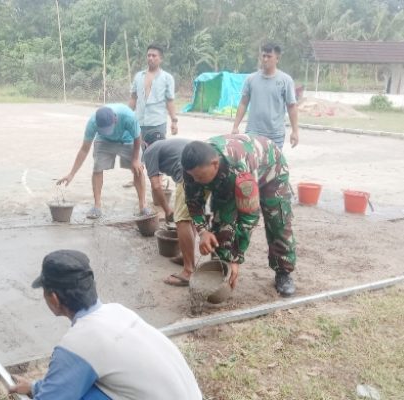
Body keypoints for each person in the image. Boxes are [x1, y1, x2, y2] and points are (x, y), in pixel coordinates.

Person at [9, 250, 202, 399]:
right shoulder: (117, 311)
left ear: (54, 298)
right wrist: (36, 387)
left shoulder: (77, 344)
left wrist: (43, 392)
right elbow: (68, 379)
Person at [181, 135, 297, 297]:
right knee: (221, 219)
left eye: (200, 177)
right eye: (193, 176)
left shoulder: (238, 169)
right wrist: (202, 231)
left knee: (277, 219)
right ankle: (223, 267)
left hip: (271, 169)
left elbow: (248, 217)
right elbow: (193, 202)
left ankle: (283, 272)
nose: (196, 181)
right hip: (227, 176)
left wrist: (236, 258)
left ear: (215, 164)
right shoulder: (192, 168)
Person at [57, 105, 150, 219]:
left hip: (128, 140)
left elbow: (137, 137)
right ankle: (97, 206)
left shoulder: (128, 116)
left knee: (138, 169)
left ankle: (143, 205)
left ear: (115, 119)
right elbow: (84, 149)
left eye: (108, 129)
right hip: (104, 141)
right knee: (97, 168)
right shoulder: (93, 123)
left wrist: (135, 160)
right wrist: (72, 173)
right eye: (103, 130)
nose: (107, 132)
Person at [142, 138, 198, 287]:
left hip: (189, 175)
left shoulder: (149, 151)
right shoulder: (169, 145)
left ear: (145, 144)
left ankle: (188, 271)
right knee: (190, 217)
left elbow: (155, 186)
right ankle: (186, 257)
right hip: (204, 170)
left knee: (181, 220)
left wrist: (167, 210)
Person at [231, 43, 299, 150]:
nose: (265, 59)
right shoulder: (251, 79)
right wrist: (235, 126)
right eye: (263, 56)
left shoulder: (285, 81)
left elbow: (291, 106)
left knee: (272, 165)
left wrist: (295, 131)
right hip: (253, 132)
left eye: (269, 56)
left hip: (275, 135)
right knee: (253, 165)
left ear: (277, 59)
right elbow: (243, 103)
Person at [128, 44, 178, 146]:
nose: (150, 58)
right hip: (139, 124)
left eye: (154, 56)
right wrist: (126, 117)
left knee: (156, 156)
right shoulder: (138, 76)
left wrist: (174, 121)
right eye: (148, 55)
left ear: (161, 59)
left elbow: (170, 101)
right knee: (138, 156)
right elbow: (133, 98)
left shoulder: (167, 78)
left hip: (157, 124)